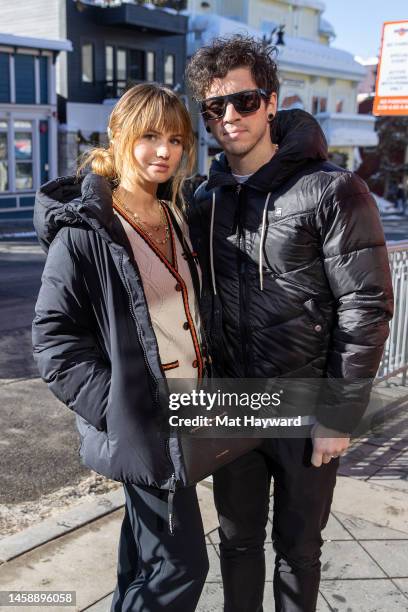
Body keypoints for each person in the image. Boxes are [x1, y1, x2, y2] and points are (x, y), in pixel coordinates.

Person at [186, 35, 393, 612]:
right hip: (234, 405)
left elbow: (366, 306)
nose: (230, 116)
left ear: (272, 102)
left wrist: (338, 411)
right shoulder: (205, 199)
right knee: (236, 543)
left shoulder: (334, 189)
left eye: (244, 101)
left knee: (299, 550)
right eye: (214, 106)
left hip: (307, 407)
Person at [32, 83, 209, 612]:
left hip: (188, 412)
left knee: (146, 556)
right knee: (181, 567)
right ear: (118, 135)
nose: (165, 151)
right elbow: (54, 339)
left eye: (176, 140)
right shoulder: (87, 230)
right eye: (150, 135)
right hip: (145, 422)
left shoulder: (175, 214)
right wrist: (117, 407)